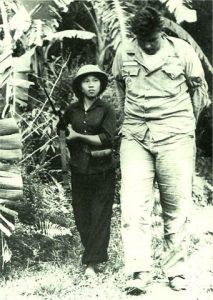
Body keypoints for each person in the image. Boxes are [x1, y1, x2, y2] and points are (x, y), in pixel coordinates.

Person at [112, 6, 210, 295]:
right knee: (133, 206)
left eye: (152, 39)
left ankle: (176, 271)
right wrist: (128, 120)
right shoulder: (124, 52)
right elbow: (120, 88)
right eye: (142, 40)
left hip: (176, 135)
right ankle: (138, 272)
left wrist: (184, 124)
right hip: (136, 135)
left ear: (161, 32)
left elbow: (199, 90)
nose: (147, 44)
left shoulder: (182, 51)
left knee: (176, 206)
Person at [57, 64, 116, 276]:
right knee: (82, 215)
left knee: (100, 214)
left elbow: (107, 138)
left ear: (101, 85)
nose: (91, 85)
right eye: (86, 81)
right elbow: (62, 131)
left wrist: (79, 136)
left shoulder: (106, 110)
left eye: (95, 80)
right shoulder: (71, 110)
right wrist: (64, 129)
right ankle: (91, 251)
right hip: (79, 169)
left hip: (102, 170)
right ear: (79, 86)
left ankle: (91, 262)